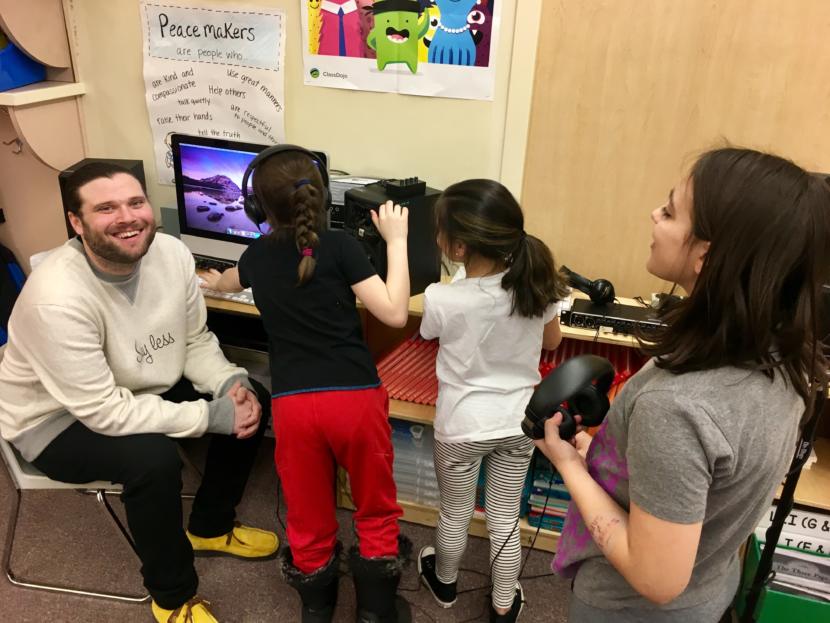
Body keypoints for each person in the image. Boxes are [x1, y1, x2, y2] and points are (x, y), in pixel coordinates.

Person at [535, 147, 830, 622]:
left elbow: (656, 578)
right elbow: (703, 485)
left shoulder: (676, 406)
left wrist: (568, 465)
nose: (655, 214)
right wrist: (597, 455)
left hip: (630, 610)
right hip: (711, 586)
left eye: (670, 212)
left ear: (705, 256)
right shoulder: (786, 359)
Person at [0, 162, 279, 623]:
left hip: (138, 382)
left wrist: (228, 382)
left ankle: (210, 527)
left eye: (135, 202)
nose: (127, 217)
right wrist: (209, 416)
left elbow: (192, 339)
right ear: (77, 222)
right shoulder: (56, 298)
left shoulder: (171, 253)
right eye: (106, 208)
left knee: (252, 399)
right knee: (152, 461)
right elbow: (103, 412)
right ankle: (172, 597)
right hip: (55, 418)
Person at [201, 147, 412, 623]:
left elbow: (229, 282)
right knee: (375, 505)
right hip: (354, 400)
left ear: (256, 208)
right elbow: (395, 312)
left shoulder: (255, 256)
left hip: (294, 407)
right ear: (321, 196)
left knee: (307, 510)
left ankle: (317, 610)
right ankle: (375, 613)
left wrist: (211, 282)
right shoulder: (341, 247)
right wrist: (396, 241)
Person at [415, 179, 569, 623]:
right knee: (504, 516)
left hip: (461, 428)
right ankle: (503, 603)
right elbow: (552, 342)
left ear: (459, 247)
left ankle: (445, 582)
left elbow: (429, 333)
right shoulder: (536, 285)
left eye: (440, 231)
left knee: (455, 512)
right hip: (517, 425)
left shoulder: (443, 297)